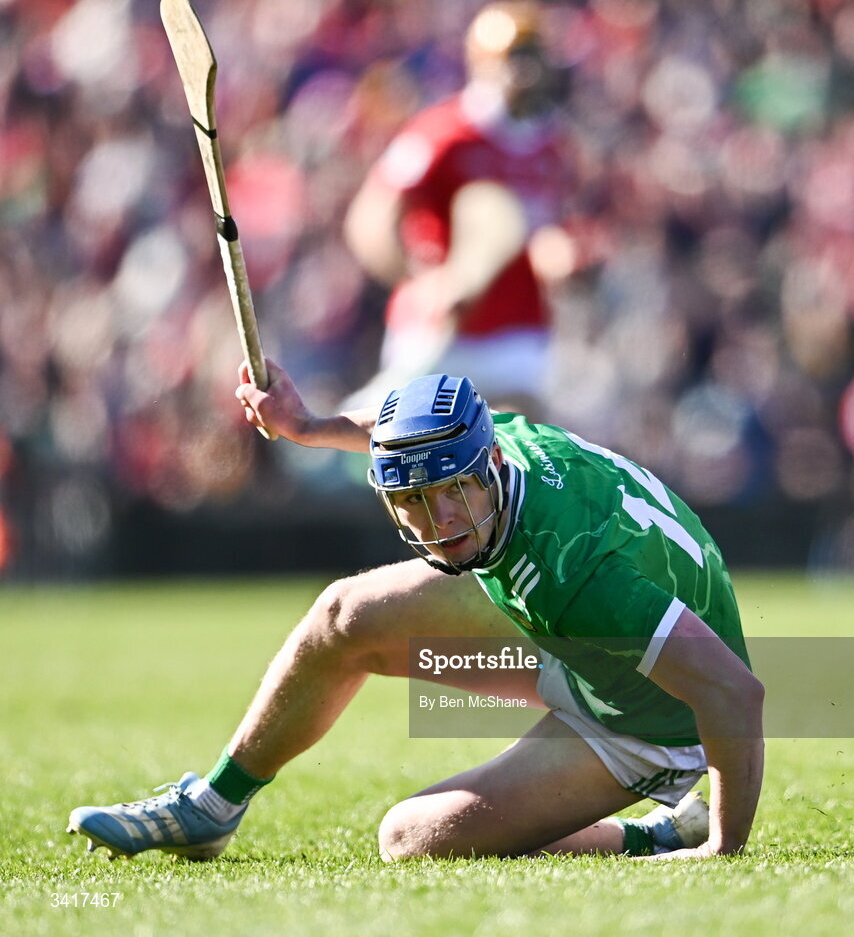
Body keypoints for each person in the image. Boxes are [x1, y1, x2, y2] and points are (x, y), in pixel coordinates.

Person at [68, 361, 764, 862]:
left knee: (409, 837)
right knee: (345, 615)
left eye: (451, 492)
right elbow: (395, 432)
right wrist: (310, 427)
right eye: (412, 500)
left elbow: (734, 691)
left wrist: (724, 850)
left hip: (652, 715)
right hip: (572, 637)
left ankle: (663, 830)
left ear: (486, 462)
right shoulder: (494, 448)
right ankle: (211, 807)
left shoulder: (576, 571)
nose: (438, 522)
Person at [343, 0, 578, 418]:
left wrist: (561, 257)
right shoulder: (444, 133)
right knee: (408, 443)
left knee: (524, 451)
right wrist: (420, 280)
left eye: (534, 57)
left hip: (517, 327)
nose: (526, 72)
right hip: (440, 329)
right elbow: (372, 218)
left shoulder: (552, 145)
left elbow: (540, 232)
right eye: (514, 58)